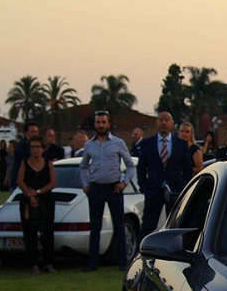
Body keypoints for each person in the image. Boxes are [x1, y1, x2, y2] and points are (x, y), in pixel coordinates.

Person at [79, 111, 135, 271]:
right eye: (98, 122)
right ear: (94, 124)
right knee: (95, 227)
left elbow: (130, 165)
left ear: (108, 124)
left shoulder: (118, 143)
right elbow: (83, 166)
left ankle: (123, 263)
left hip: (114, 188)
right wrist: (85, 184)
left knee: (119, 226)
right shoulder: (89, 145)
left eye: (103, 122)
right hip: (96, 188)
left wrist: (124, 182)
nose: (101, 125)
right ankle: (93, 263)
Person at [136, 111, 192, 239]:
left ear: (172, 123)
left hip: (175, 191)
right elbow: (141, 168)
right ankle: (142, 250)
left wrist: (183, 186)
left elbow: (187, 168)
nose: (164, 123)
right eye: (161, 120)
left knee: (176, 226)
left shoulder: (181, 144)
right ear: (156, 123)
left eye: (166, 120)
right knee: (148, 226)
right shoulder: (147, 144)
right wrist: (144, 187)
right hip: (153, 191)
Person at [17, 136, 57, 274]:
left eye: (38, 147)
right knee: (30, 232)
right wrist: (30, 195)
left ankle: (48, 262)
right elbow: (20, 181)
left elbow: (53, 183)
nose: (35, 150)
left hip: (46, 200)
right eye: (32, 147)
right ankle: (33, 263)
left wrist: (38, 192)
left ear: (43, 149)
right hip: (28, 201)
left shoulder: (48, 164)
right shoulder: (25, 163)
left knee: (47, 231)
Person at [7, 121, 38, 191]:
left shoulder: (32, 144)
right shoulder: (23, 145)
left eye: (36, 132)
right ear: (25, 133)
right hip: (20, 183)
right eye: (32, 132)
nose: (35, 134)